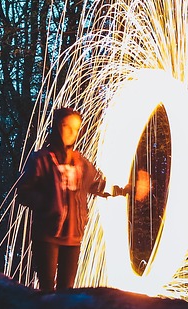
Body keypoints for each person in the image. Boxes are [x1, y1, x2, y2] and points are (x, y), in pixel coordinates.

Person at [17, 107, 124, 291]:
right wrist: (47, 205)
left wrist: (125, 190)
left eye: (76, 129)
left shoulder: (81, 163)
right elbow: (24, 191)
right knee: (47, 290)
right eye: (67, 127)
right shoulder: (41, 160)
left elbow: (99, 185)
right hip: (47, 236)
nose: (72, 133)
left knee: (67, 291)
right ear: (57, 127)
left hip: (73, 238)